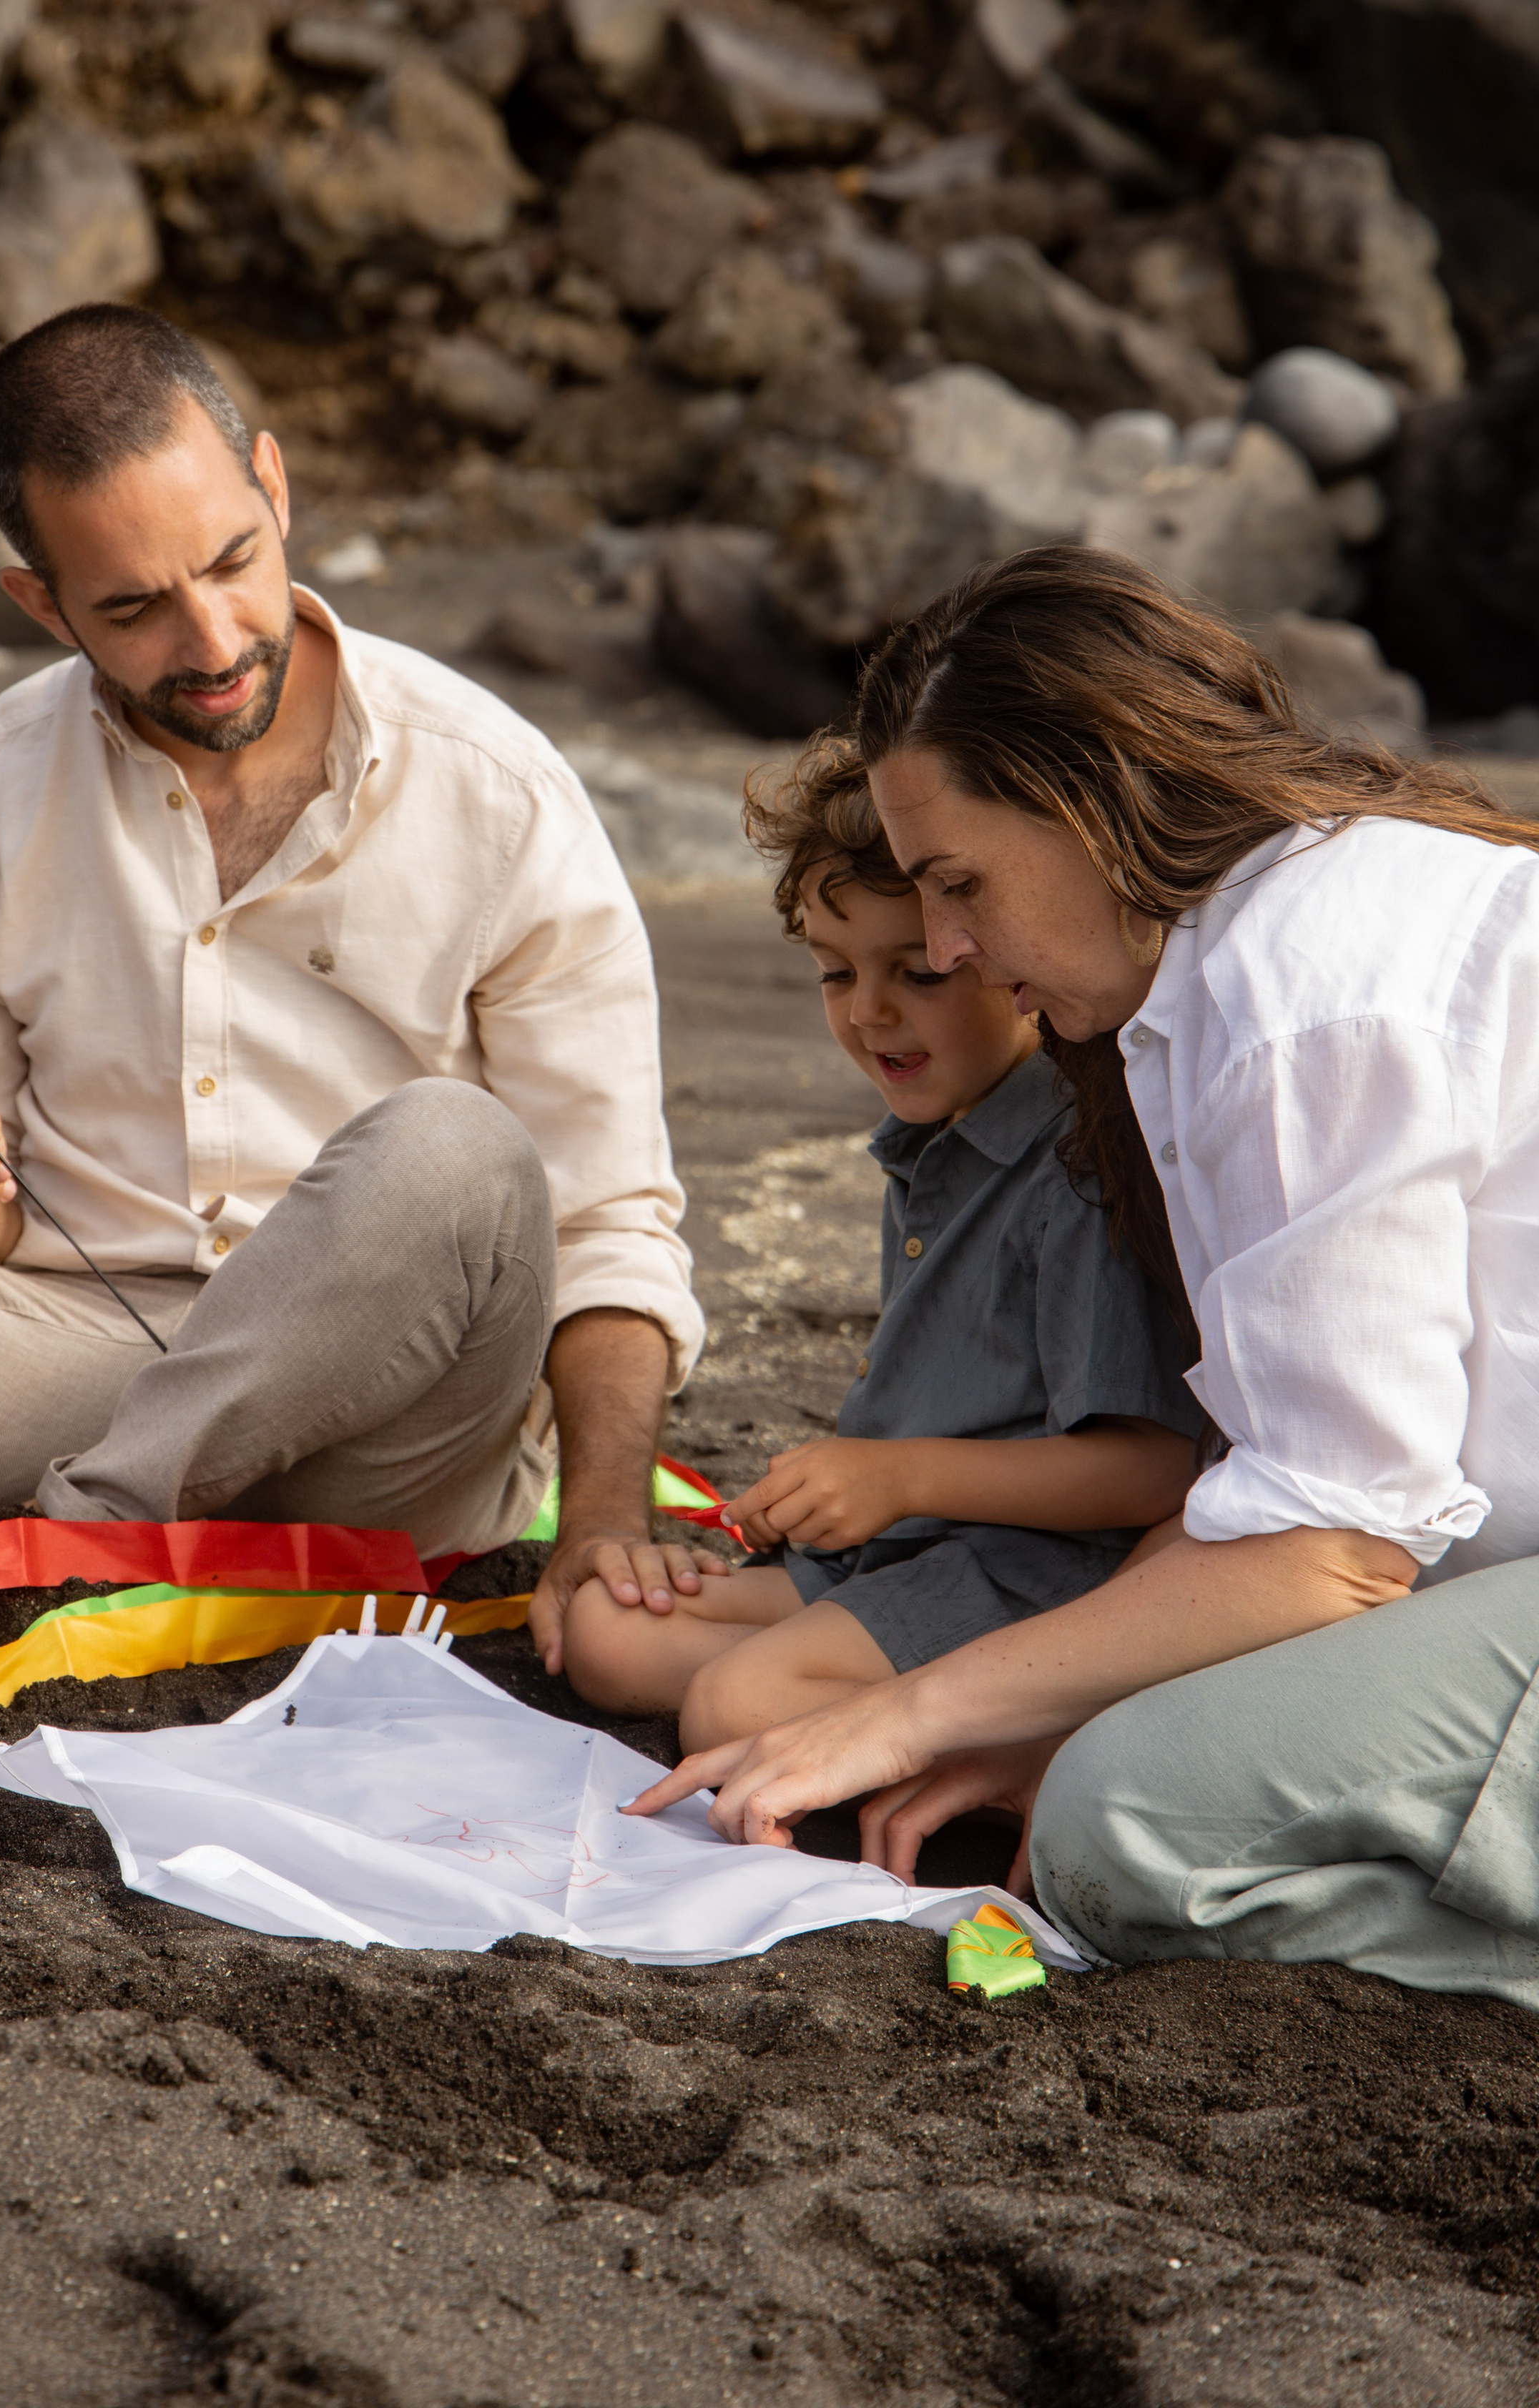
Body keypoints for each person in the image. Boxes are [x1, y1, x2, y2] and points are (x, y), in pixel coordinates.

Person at [0, 303, 708, 1677]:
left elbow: (607, 1225)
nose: (215, 636)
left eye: (233, 560)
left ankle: (68, 1549)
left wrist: (599, 1518)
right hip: (55, 1376)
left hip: (383, 1445)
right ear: (40, 604)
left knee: (459, 1153)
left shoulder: (502, 792)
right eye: (130, 607)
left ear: (275, 486)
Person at [628, 547, 1539, 2011]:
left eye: (955, 884)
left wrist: (915, 1712)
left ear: (1086, 809)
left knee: (1118, 1824)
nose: (942, 947)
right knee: (1089, 1748)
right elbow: (1275, 1493)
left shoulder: (1293, 1001)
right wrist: (999, 1705)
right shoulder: (1243, 957)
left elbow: (1340, 1544)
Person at [563, 732, 1201, 1737]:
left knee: (737, 1706)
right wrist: (847, 1490)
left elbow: (1157, 1469)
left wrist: (894, 1477)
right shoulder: (932, 1140)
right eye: (834, 973)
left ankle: (1043, 1733)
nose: (871, 1012)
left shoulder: (1076, 1166)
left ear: (1011, 954)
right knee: (605, 1629)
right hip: (909, 1545)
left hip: (1033, 1573)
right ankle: (860, 1686)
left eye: (920, 973)